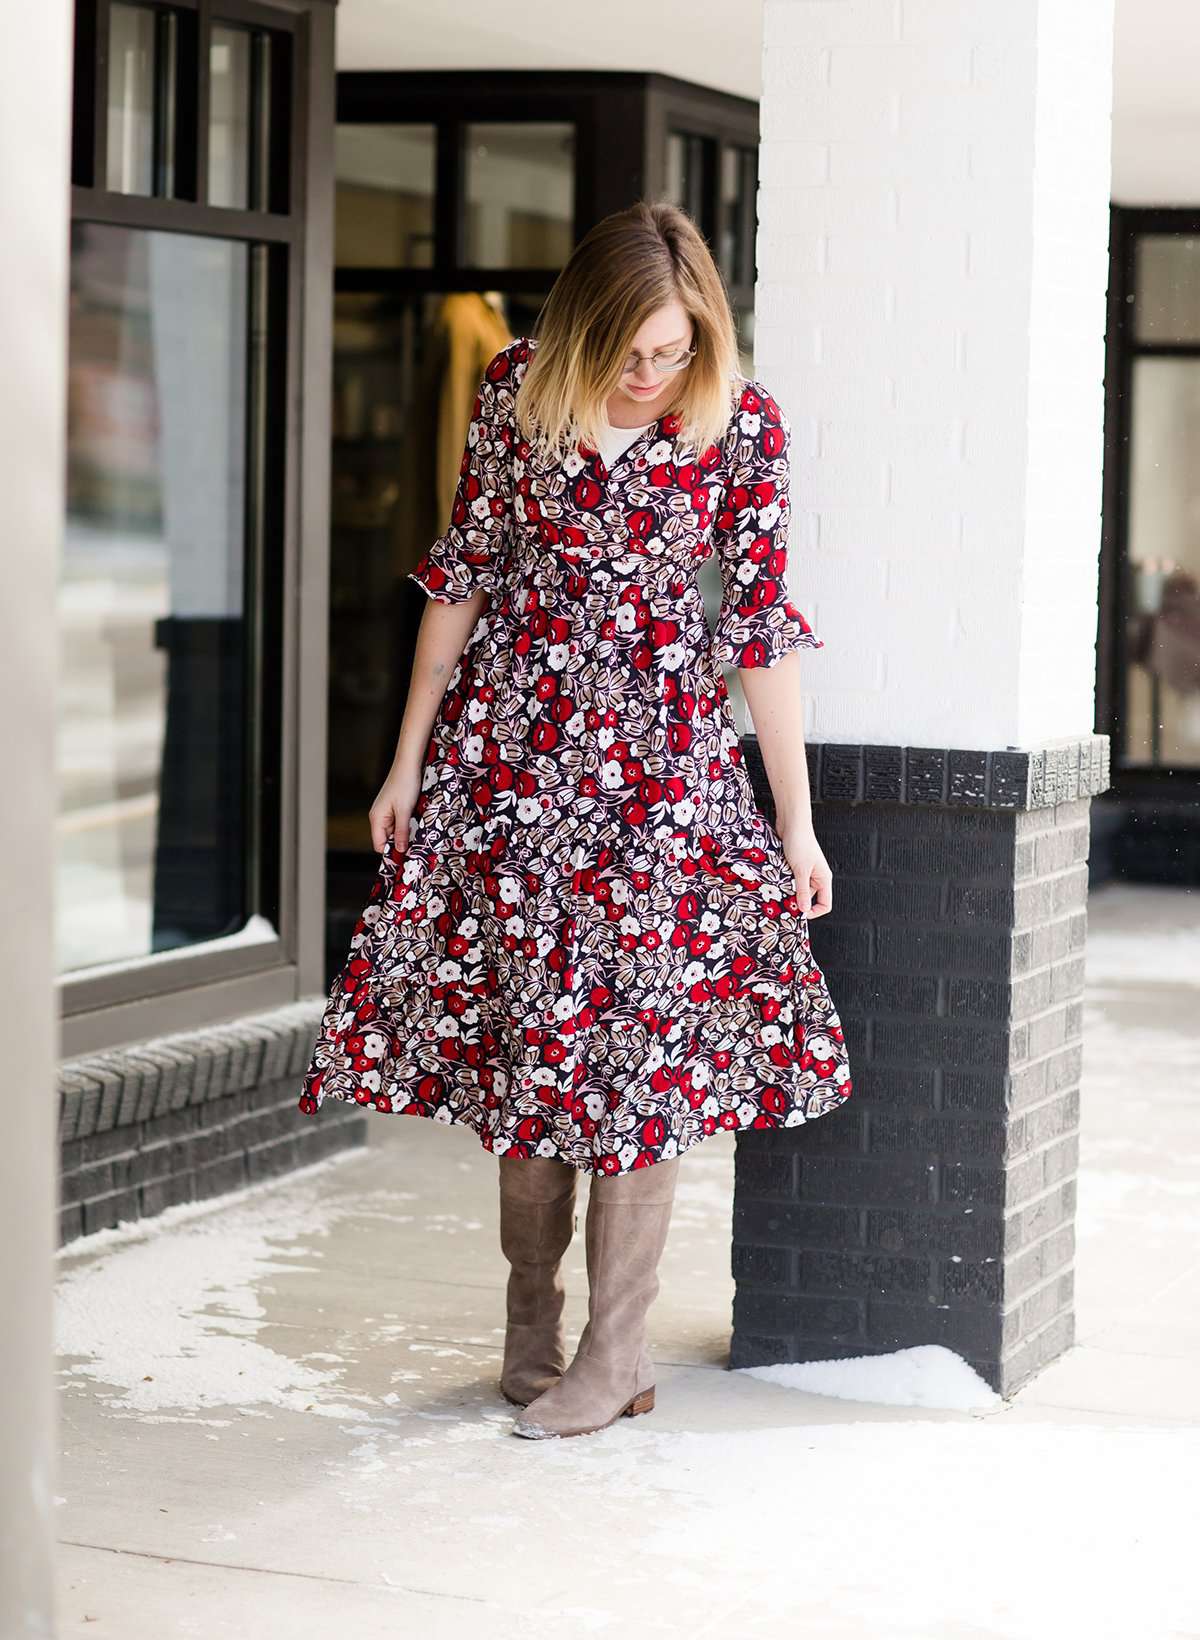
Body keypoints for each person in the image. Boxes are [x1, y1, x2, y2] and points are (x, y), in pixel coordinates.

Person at [298, 200, 853, 1440]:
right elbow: (463, 572)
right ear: (584, 325)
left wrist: (796, 823)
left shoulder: (738, 420)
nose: (652, 374)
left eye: (672, 350)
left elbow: (760, 630)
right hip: (516, 767)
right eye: (632, 351)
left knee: (637, 1062)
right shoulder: (514, 392)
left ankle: (615, 1354)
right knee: (532, 1054)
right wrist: (405, 765)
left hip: (663, 785)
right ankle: (529, 1325)